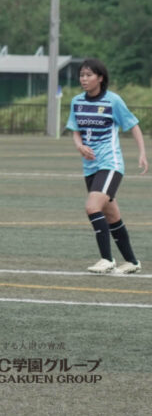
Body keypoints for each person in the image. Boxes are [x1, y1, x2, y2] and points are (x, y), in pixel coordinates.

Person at [66, 58, 147, 274]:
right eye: (81, 75)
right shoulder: (77, 102)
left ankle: (106, 259)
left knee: (92, 207)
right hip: (90, 167)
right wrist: (80, 146)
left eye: (88, 75)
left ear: (100, 78)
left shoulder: (113, 101)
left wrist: (142, 153)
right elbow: (75, 130)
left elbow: (133, 125)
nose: (84, 79)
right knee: (111, 216)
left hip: (110, 164)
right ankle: (132, 262)